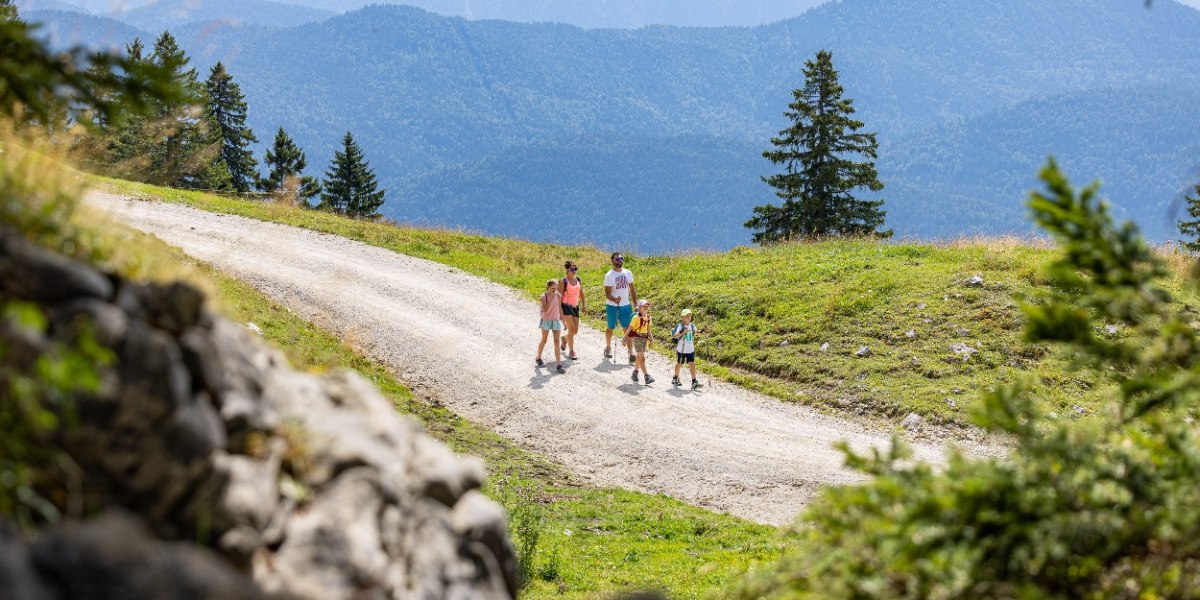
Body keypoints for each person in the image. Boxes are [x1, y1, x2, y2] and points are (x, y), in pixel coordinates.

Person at [603, 251, 637, 363]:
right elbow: (607, 293)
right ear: (612, 261)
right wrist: (614, 299)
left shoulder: (628, 273)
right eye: (618, 259)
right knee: (611, 327)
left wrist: (635, 304)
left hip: (626, 305)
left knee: (627, 328)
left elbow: (632, 289)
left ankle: (631, 352)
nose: (620, 260)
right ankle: (608, 347)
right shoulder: (609, 276)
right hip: (612, 306)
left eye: (621, 258)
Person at [535, 279, 565, 374]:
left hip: (555, 320)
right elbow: (546, 310)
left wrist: (563, 322)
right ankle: (538, 357)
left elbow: (560, 308)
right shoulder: (543, 296)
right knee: (544, 340)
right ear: (548, 288)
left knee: (557, 342)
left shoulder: (558, 296)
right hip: (546, 321)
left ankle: (558, 365)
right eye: (553, 288)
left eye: (556, 288)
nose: (555, 290)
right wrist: (551, 297)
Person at [558, 260, 585, 360]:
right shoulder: (563, 281)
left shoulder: (578, 279)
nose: (574, 271)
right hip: (566, 307)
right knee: (571, 329)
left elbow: (581, 293)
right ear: (567, 270)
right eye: (572, 269)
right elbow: (559, 297)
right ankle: (571, 351)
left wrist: (584, 305)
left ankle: (565, 339)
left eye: (575, 269)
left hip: (575, 307)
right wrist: (560, 311)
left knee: (575, 331)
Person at [671, 309, 704, 390]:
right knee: (679, 364)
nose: (689, 317)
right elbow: (675, 336)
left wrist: (703, 331)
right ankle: (675, 378)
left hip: (690, 349)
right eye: (687, 316)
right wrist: (683, 332)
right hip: (681, 349)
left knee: (692, 363)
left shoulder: (692, 325)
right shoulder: (680, 326)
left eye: (690, 316)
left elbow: (696, 332)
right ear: (682, 317)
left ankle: (694, 381)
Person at [624, 300, 654, 385]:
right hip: (637, 338)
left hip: (644, 339)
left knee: (639, 357)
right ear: (639, 308)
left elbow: (649, 331)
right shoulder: (635, 318)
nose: (646, 307)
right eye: (644, 306)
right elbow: (629, 329)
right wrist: (624, 339)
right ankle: (646, 376)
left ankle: (635, 373)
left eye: (647, 306)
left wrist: (651, 339)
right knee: (642, 358)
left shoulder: (648, 318)